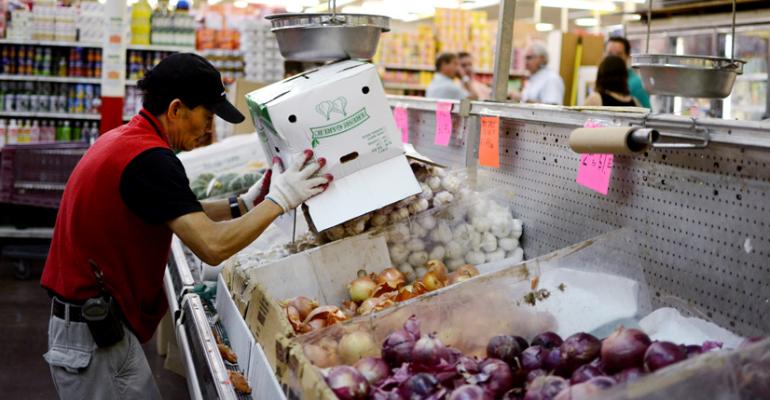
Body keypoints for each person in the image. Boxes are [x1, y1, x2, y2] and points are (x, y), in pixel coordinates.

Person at [39, 53, 332, 399]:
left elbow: (175, 210)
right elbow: (211, 247)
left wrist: (244, 204)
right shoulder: (150, 159)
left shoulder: (128, 141)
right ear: (176, 109)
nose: (209, 130)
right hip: (92, 339)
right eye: (206, 117)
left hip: (98, 330)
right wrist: (280, 200)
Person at [605, 36, 651, 109]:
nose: (613, 59)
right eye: (610, 54)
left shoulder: (636, 84)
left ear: (627, 56)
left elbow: (647, 113)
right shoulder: (603, 81)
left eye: (618, 55)